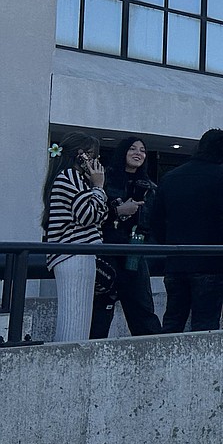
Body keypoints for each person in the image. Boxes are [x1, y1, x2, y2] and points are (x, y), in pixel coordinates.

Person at [153, 129, 223, 332]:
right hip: (212, 260)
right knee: (206, 324)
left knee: (173, 320)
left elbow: (157, 220)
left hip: (176, 259)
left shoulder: (171, 177)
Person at [91, 136, 163, 339]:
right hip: (106, 253)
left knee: (143, 312)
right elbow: (95, 214)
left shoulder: (150, 187)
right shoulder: (105, 178)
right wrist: (118, 211)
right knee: (99, 314)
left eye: (142, 150)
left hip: (135, 252)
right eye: (132, 149)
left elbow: (155, 222)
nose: (138, 153)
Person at [42, 133, 108, 342]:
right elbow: (89, 215)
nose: (94, 161)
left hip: (72, 253)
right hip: (75, 253)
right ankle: (66, 369)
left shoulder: (66, 177)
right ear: (81, 155)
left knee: (75, 319)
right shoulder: (70, 176)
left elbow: (97, 215)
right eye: (91, 155)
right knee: (75, 322)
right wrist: (98, 188)